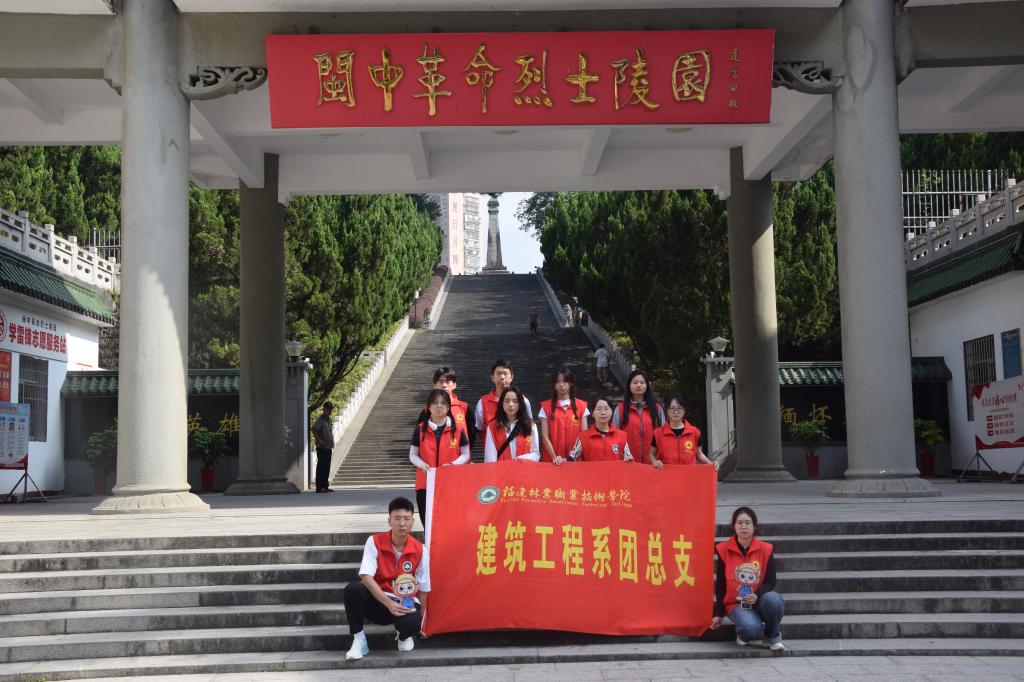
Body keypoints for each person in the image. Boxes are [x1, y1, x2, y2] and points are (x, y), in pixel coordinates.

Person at [344, 497, 430, 660]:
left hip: (404, 602)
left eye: (406, 519)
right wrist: (388, 603)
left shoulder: (420, 549)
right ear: (389, 521)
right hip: (379, 601)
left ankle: (403, 636)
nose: (402, 524)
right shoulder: (374, 541)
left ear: (412, 522)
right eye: (397, 519)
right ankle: (359, 640)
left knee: (413, 622)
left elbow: (424, 588)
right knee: (353, 590)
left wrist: (420, 623)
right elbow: (366, 576)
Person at [710, 506, 785, 652]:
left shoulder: (765, 549)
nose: (743, 526)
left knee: (774, 599)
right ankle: (744, 635)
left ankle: (772, 636)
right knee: (750, 628)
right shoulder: (724, 549)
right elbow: (721, 584)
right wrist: (718, 613)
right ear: (734, 526)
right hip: (736, 604)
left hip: (759, 600)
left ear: (754, 526)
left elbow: (770, 581)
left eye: (747, 523)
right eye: (739, 523)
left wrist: (757, 596)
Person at [409, 389, 470, 527]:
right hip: (425, 484)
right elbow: (413, 454)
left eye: (443, 403)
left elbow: (465, 454)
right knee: (429, 525)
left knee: (450, 524)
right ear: (428, 407)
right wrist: (422, 464)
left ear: (448, 407)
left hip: (451, 483)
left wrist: (453, 465)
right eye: (435, 403)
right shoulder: (420, 429)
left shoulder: (458, 429)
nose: (439, 406)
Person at [650, 395, 719, 470]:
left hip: (688, 475)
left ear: (684, 411)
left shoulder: (695, 432)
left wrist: (710, 463)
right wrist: (654, 461)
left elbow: (699, 454)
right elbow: (651, 453)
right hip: (667, 474)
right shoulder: (658, 433)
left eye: (679, 408)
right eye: (672, 408)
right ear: (667, 411)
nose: (676, 412)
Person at [612, 369, 664, 465]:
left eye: (642, 382)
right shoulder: (620, 409)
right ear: (629, 385)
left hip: (654, 463)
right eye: (635, 382)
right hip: (628, 462)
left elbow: (664, 435)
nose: (639, 385)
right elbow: (614, 436)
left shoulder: (657, 409)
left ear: (647, 386)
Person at [538, 368, 589, 465]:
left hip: (575, 461)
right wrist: (555, 458)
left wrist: (571, 458)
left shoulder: (582, 406)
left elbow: (584, 435)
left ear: (571, 383)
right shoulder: (545, 407)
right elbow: (545, 437)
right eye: (558, 382)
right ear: (554, 385)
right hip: (552, 462)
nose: (561, 385)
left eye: (565, 381)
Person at [417, 366, 474, 447]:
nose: (444, 385)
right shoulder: (428, 409)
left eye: (448, 382)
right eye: (440, 382)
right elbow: (419, 433)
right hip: (433, 453)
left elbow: (471, 434)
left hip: (459, 453)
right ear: (435, 385)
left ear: (454, 385)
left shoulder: (464, 408)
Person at [475, 359, 532, 435]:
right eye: (498, 374)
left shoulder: (523, 400)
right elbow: (480, 429)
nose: (502, 377)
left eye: (505, 373)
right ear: (492, 378)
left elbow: (529, 425)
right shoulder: (482, 403)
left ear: (511, 377)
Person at [483, 386, 541, 462]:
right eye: (507, 401)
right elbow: (490, 459)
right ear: (502, 403)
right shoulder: (493, 427)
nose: (511, 404)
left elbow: (536, 454)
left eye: (515, 401)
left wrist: (518, 460)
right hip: (502, 469)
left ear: (520, 403)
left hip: (524, 468)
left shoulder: (530, 425)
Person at [567, 397, 634, 462]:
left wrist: (629, 459)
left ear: (611, 412)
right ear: (592, 413)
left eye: (606, 409)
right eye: (599, 409)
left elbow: (628, 457)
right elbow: (572, 458)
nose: (603, 412)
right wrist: (562, 460)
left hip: (614, 470)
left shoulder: (621, 436)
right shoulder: (583, 437)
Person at [310, 401, 335, 493]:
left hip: (328, 447)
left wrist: (332, 442)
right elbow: (313, 429)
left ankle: (325, 486)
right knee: (321, 467)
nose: (329, 411)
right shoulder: (320, 419)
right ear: (324, 409)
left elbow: (329, 432)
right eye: (328, 409)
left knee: (327, 467)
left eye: (330, 409)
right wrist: (319, 440)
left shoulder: (329, 420)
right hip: (321, 447)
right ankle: (319, 487)